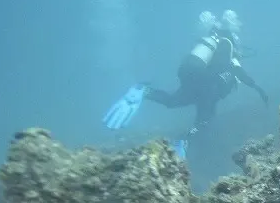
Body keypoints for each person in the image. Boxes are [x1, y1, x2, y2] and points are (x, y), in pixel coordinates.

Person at [103, 10, 268, 138]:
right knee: (205, 119)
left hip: (191, 75)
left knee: (172, 101)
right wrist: (257, 87)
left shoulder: (215, 43)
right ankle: (184, 141)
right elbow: (236, 71)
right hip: (205, 85)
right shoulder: (227, 46)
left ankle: (143, 91)